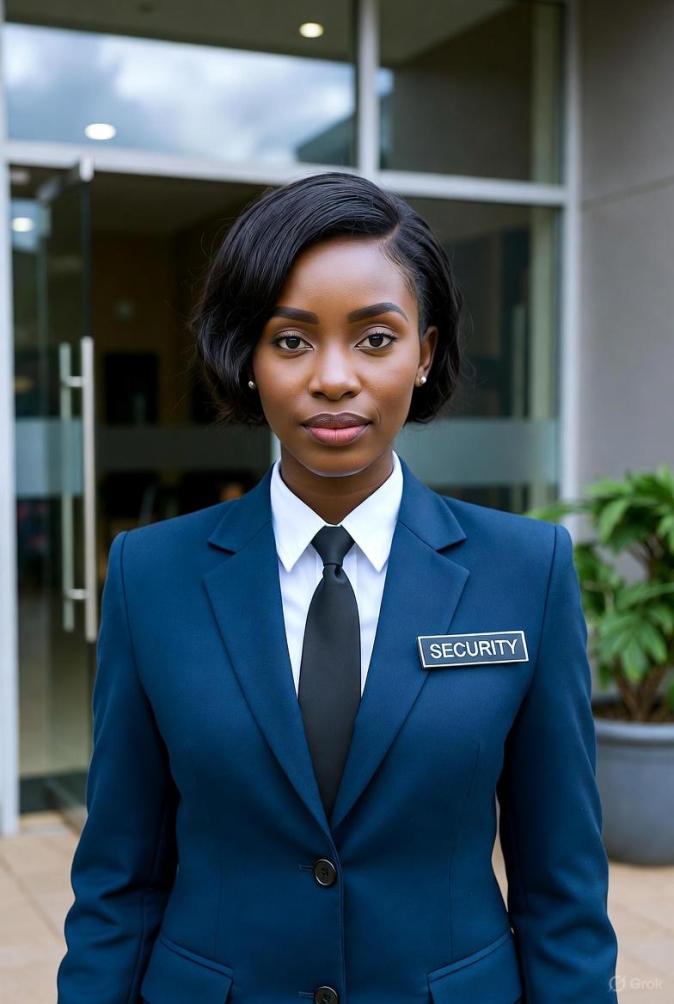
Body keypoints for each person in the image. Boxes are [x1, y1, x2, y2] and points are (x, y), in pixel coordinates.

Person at [56, 171, 619, 1004]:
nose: (332, 377)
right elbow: (119, 878)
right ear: (247, 359)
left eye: (376, 338)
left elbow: (561, 885)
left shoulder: (526, 571)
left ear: (425, 353)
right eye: (290, 341)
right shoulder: (152, 575)